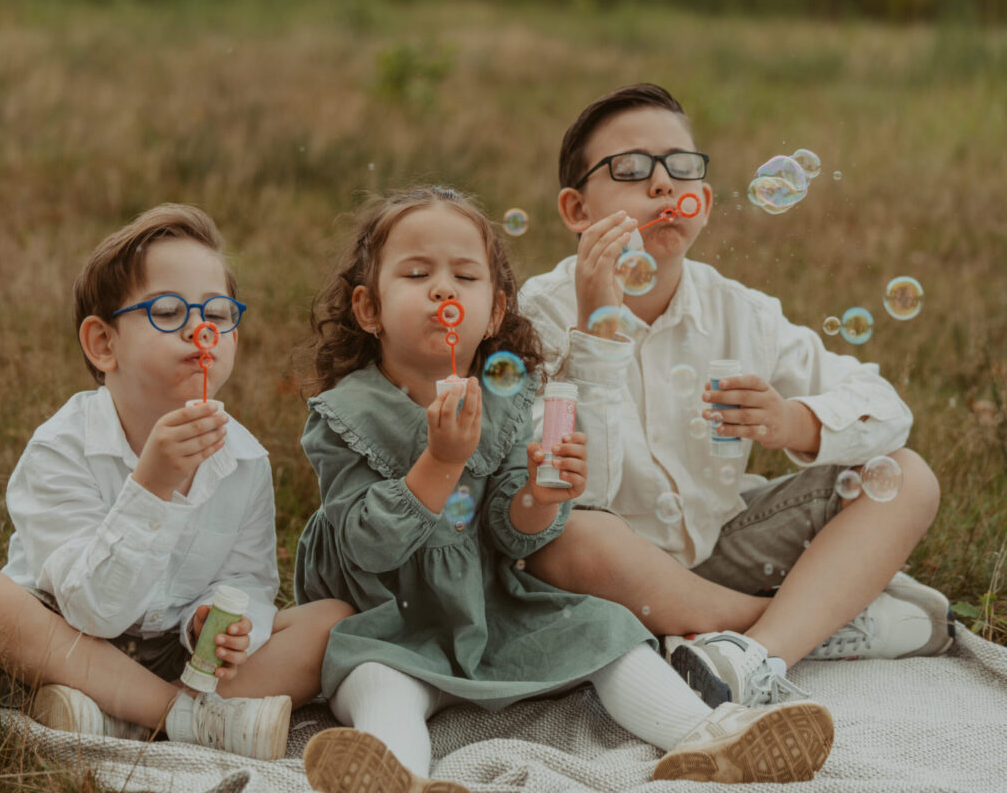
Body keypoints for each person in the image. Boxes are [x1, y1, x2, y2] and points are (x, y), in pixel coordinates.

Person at [293, 186, 834, 790]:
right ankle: (398, 773)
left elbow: (509, 530)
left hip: (490, 605)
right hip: (391, 619)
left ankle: (709, 737)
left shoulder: (504, 399)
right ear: (369, 309)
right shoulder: (347, 414)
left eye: (465, 277)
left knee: (607, 630)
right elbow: (368, 545)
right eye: (417, 274)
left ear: (494, 312)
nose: (443, 291)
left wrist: (540, 496)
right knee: (373, 679)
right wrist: (441, 462)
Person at [518, 83, 951, 710]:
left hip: (721, 546)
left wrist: (793, 422)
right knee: (572, 535)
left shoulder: (741, 312)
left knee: (907, 476)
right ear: (577, 209)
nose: (662, 184)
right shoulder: (538, 316)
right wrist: (597, 338)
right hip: (603, 572)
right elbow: (576, 491)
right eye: (631, 169)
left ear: (704, 200)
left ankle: (748, 656)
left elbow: (885, 407)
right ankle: (816, 620)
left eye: (681, 167)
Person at [0, 204, 352, 760]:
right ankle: (182, 718)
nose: (202, 329)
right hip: (66, 638)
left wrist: (221, 624)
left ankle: (115, 720)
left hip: (173, 654)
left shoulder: (244, 460)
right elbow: (93, 610)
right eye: (169, 311)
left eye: (218, 313)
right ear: (104, 345)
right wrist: (152, 487)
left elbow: (247, 580)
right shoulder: (62, 446)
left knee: (332, 622)